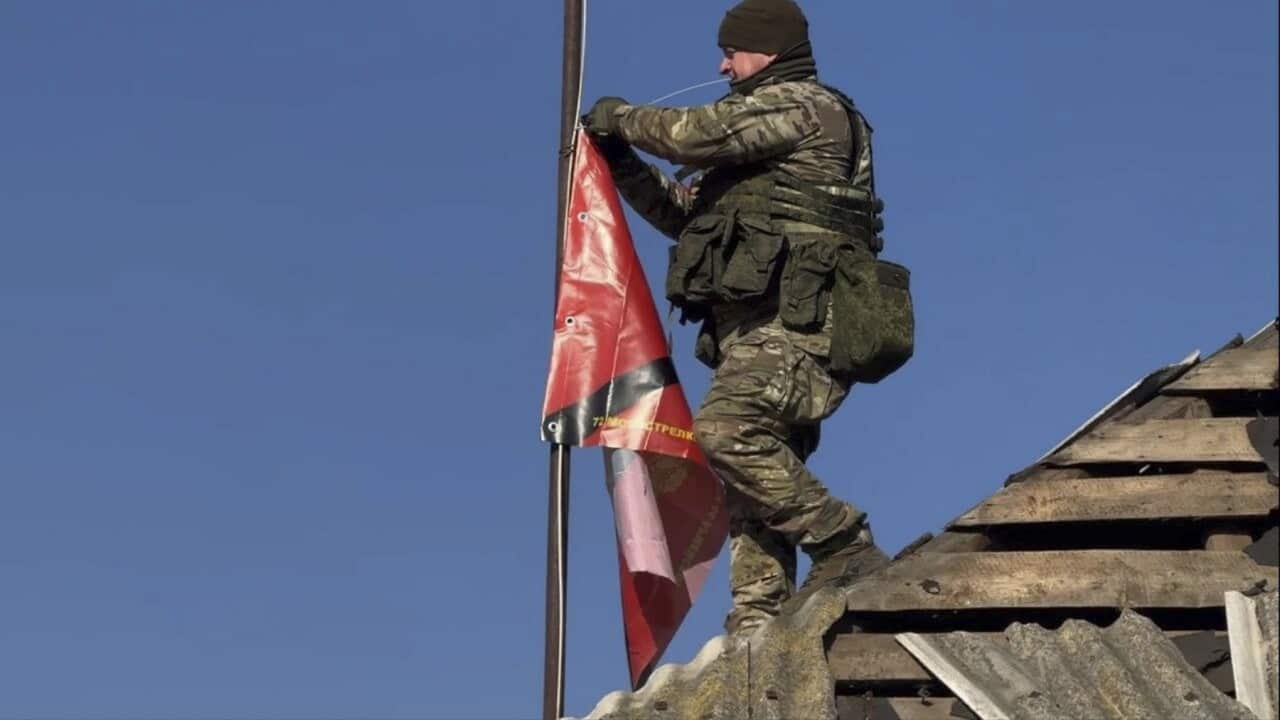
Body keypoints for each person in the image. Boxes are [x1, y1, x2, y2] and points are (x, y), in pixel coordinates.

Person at [583, 0, 895, 636]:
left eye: (732, 51)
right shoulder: (755, 148)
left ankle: (844, 544)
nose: (723, 66)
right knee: (752, 484)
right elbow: (684, 216)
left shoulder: (805, 106)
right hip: (755, 330)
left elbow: (693, 133)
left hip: (800, 325)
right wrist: (620, 163)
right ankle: (762, 625)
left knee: (727, 433)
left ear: (769, 52)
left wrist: (622, 118)